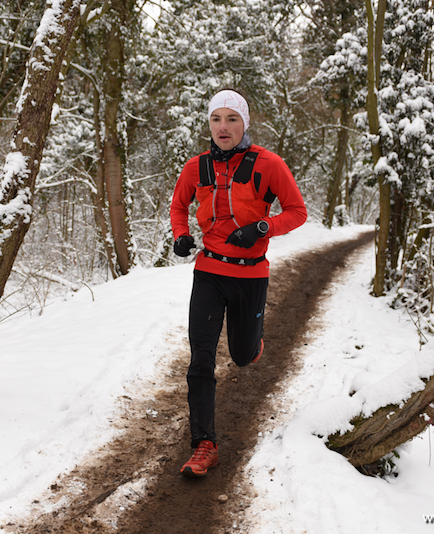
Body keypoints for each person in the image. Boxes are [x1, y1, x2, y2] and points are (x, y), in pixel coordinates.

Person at [170, 88, 307, 477]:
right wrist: (181, 235)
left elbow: (297, 211)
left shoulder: (267, 164)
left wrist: (262, 227)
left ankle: (252, 345)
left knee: (243, 355)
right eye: (216, 119)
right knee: (200, 360)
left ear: (244, 123)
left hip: (250, 274)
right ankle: (204, 445)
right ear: (209, 124)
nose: (223, 127)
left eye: (232, 119)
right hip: (209, 272)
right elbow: (179, 206)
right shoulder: (196, 167)